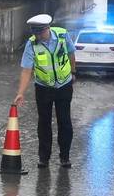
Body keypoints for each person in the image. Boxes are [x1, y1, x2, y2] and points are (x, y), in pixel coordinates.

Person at [13, 14, 76, 168]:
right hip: (43, 88)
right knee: (44, 123)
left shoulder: (62, 35)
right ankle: (44, 158)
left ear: (48, 28)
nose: (38, 36)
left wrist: (73, 72)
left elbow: (71, 53)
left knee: (65, 122)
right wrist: (20, 92)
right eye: (35, 33)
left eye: (41, 32)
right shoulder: (32, 44)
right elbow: (26, 70)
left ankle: (65, 157)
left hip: (64, 86)